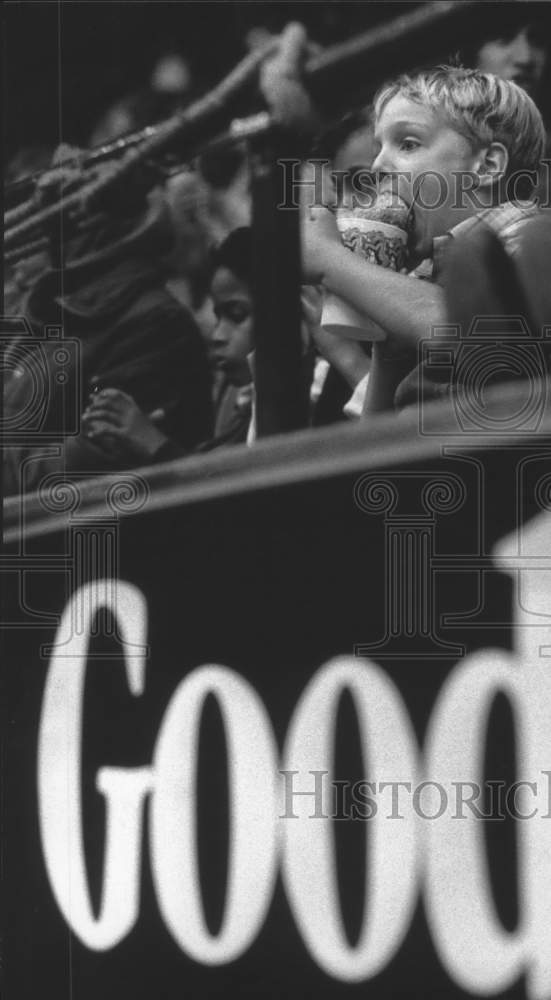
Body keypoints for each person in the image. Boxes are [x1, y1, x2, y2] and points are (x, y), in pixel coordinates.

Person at [300, 64, 549, 413]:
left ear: (488, 165)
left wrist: (331, 261)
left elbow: (477, 334)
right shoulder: (424, 274)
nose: (377, 167)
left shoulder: (532, 238)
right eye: (379, 148)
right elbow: (379, 450)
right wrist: (387, 343)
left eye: (408, 143)